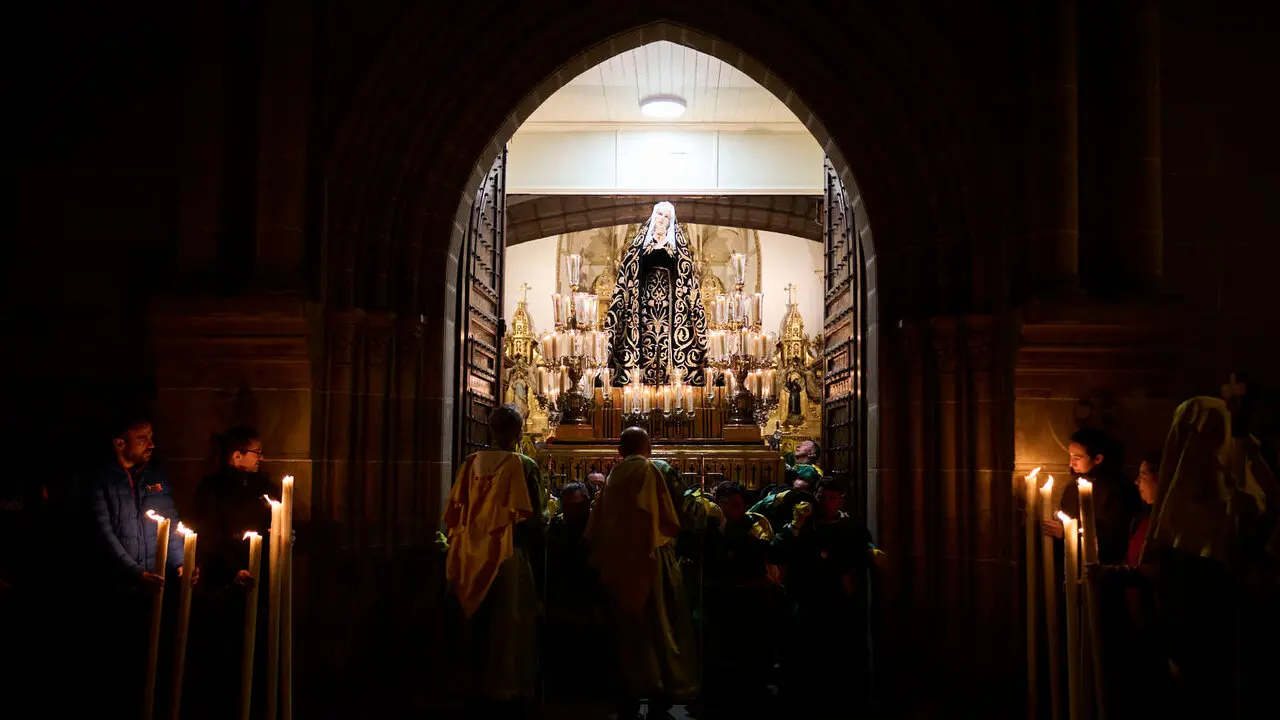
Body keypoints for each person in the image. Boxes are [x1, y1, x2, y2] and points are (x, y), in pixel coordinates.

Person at [587, 427, 699, 719]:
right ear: (648, 446)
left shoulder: (614, 475)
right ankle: (663, 687)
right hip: (653, 556)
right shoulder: (656, 469)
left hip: (621, 559)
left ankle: (631, 689)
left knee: (628, 625)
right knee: (661, 621)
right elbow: (680, 515)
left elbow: (596, 524)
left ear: (620, 450)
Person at [440, 404, 544, 718]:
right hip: (507, 553)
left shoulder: (470, 463)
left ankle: (470, 686)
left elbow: (455, 511)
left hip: (470, 552)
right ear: (518, 431)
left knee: (475, 619)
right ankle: (505, 690)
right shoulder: (524, 465)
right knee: (508, 622)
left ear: (490, 430)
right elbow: (536, 517)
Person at [89, 416, 187, 715]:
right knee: (120, 672)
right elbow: (103, 533)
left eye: (152, 437)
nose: (152, 444)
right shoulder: (100, 479)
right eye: (143, 438)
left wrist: (182, 562)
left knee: (157, 666)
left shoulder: (155, 476)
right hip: (118, 591)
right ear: (120, 443)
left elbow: (170, 524)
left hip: (154, 589)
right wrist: (133, 572)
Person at [187, 426, 275, 719]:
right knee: (225, 650)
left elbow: (277, 524)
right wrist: (230, 569)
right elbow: (209, 534)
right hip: (222, 580)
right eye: (256, 452)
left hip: (261, 575)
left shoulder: (265, 486)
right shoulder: (213, 489)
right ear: (236, 455)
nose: (261, 457)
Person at [772, 478, 879, 716]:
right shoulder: (804, 524)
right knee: (804, 659)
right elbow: (779, 551)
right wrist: (795, 527)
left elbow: (859, 551)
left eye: (833, 498)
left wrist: (870, 552)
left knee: (839, 658)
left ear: (841, 499)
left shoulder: (851, 527)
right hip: (806, 599)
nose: (827, 503)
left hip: (839, 602)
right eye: (822, 497)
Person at [606, 202, 710, 387]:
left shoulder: (677, 247)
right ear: (654, 216)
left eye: (667, 216)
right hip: (643, 309)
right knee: (644, 346)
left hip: (672, 310)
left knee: (668, 347)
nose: (662, 219)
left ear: (671, 221)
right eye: (660, 214)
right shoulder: (639, 246)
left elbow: (686, 277)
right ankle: (640, 385)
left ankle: (672, 382)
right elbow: (629, 271)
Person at [701, 481, 776, 707]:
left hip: (750, 595)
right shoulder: (709, 528)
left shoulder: (754, 524)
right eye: (727, 504)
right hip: (720, 596)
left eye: (738, 504)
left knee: (751, 648)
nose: (734, 509)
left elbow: (767, 552)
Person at [544, 482, 609, 698]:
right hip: (565, 596)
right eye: (568, 507)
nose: (573, 512)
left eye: (577, 507)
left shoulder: (599, 528)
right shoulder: (557, 528)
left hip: (592, 594)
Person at [1043, 427, 1138, 564]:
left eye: (1078, 457)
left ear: (1098, 458)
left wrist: (1067, 532)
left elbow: (1112, 537)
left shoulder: (1116, 490)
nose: (1071, 463)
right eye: (1070, 456)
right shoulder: (1072, 486)